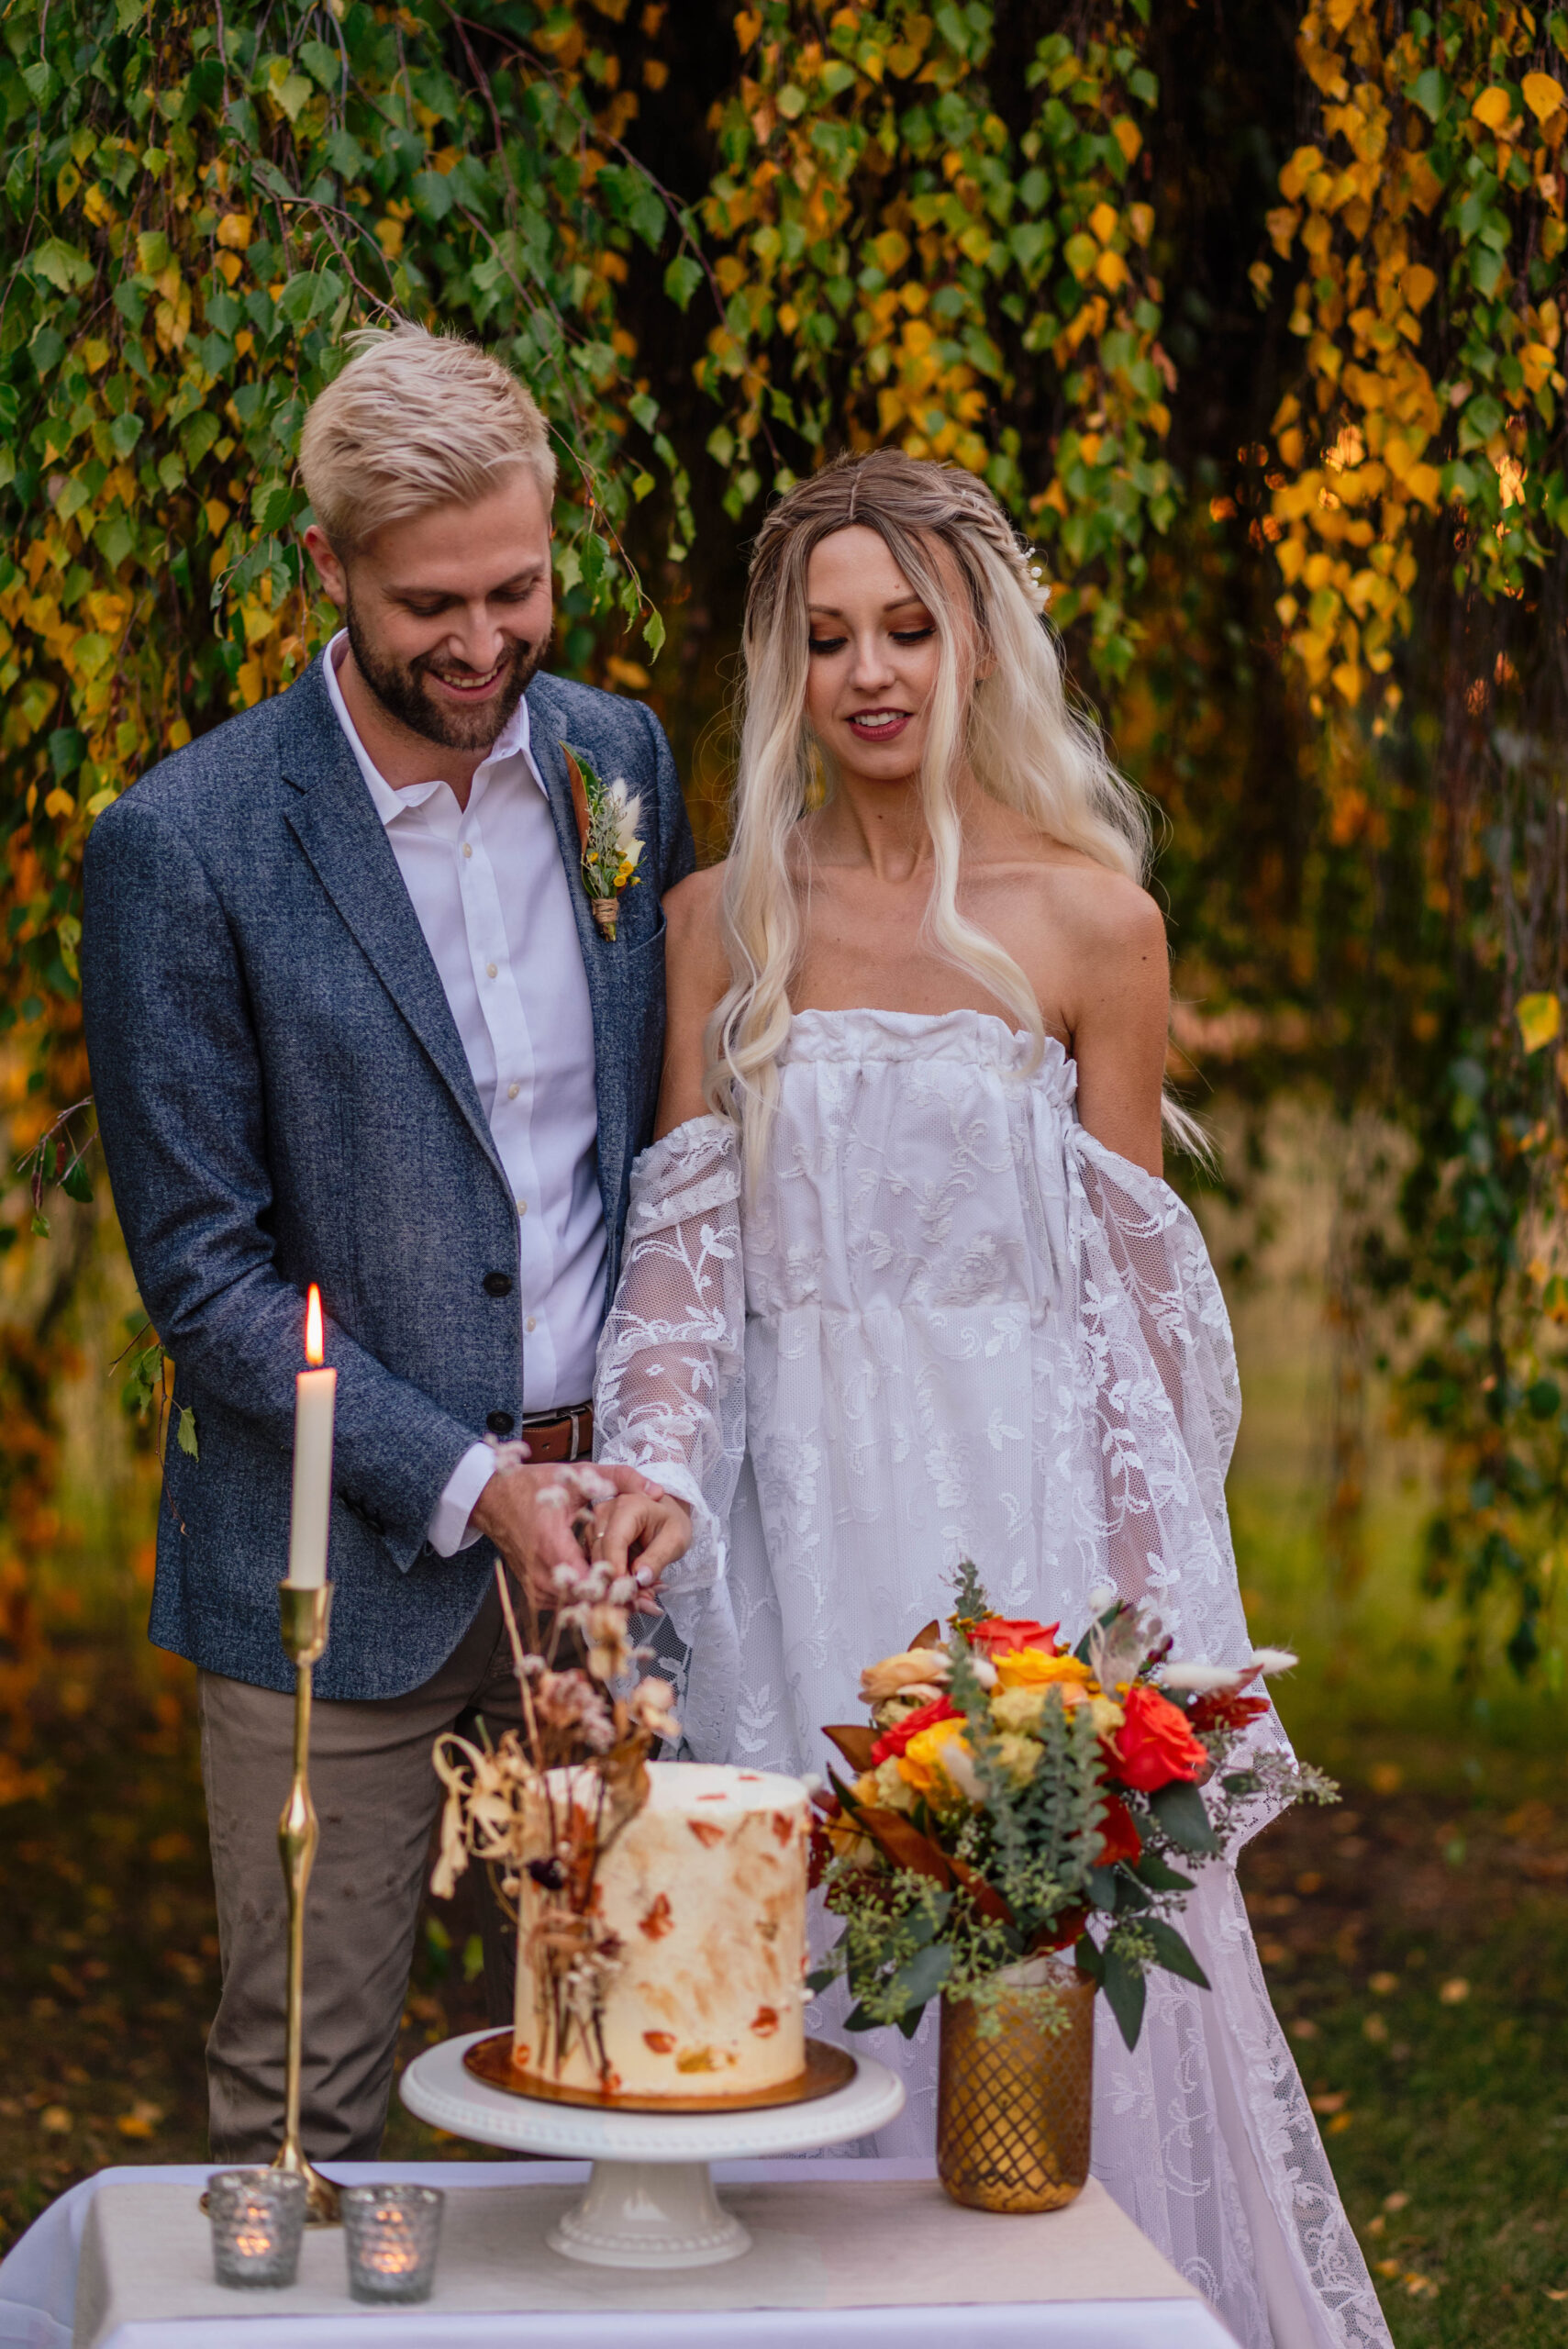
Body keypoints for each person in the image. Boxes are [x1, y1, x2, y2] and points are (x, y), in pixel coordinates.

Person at [593, 450, 1391, 2349]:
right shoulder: (722, 917)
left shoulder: (1095, 926)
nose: (872, 671)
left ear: (978, 645)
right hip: (786, 1535)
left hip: (1008, 1577)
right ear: (791, 670)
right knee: (777, 1991)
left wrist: (1147, 1647)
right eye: (829, 636)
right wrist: (649, 1478)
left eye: (909, 626)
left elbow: (1134, 1322)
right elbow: (684, 1272)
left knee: (1023, 2008)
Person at [81, 325, 693, 2164]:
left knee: (633, 2064)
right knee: (307, 2095)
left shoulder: (618, 757)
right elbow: (203, 1273)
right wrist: (476, 1479)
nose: (488, 642)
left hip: (611, 1563)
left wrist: (637, 1445)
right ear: (326, 566)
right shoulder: (181, 842)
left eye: (521, 587)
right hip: (328, 1578)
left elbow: (651, 1151)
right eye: (434, 601)